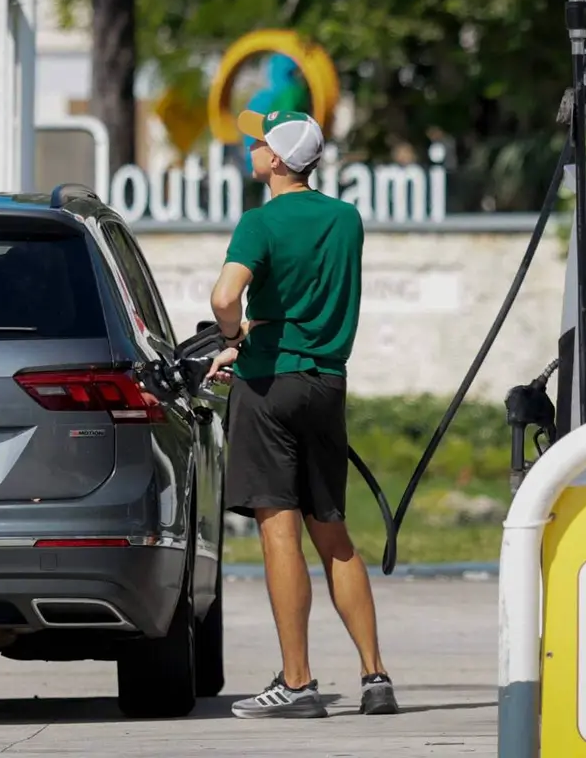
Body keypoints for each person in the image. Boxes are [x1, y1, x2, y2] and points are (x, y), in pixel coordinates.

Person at [207, 108, 397, 720]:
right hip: (326, 385)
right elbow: (310, 299)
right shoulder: (346, 219)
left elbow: (225, 296)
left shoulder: (259, 223)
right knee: (332, 532)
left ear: (278, 160)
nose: (251, 149)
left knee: (279, 532)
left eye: (258, 142)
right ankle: (375, 676)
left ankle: (297, 683)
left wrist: (231, 337)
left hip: (269, 386)